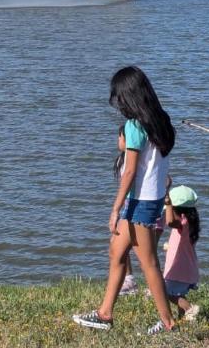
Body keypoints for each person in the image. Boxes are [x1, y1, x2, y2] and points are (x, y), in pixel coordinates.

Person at [73, 66, 177, 335]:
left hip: (139, 203)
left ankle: (168, 323)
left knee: (149, 263)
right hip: (150, 200)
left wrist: (116, 207)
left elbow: (129, 170)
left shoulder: (133, 126)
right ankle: (105, 314)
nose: (116, 102)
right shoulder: (162, 121)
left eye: (118, 96)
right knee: (116, 252)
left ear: (128, 96)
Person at [112, 126, 166, 298]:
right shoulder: (125, 159)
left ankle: (175, 313)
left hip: (141, 206)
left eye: (120, 137)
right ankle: (106, 310)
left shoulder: (137, 141)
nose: (118, 141)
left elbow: (132, 174)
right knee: (117, 248)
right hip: (136, 205)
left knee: (148, 261)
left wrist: (116, 208)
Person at [162, 184, 201, 322]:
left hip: (178, 269)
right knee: (178, 294)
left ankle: (190, 309)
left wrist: (168, 204)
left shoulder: (182, 222)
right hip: (188, 268)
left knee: (166, 293)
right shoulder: (191, 223)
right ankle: (183, 318)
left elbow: (170, 222)